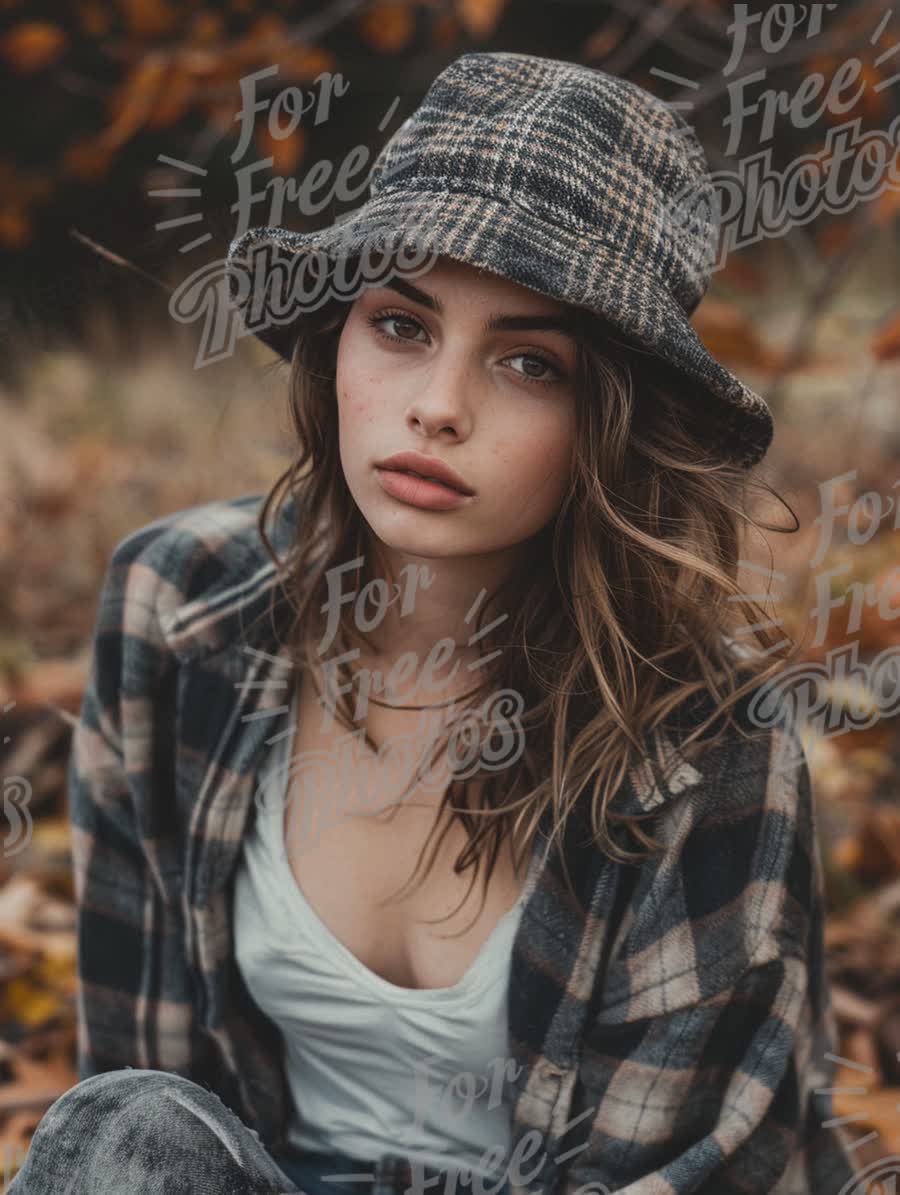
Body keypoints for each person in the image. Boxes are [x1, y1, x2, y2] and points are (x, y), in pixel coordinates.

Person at [11, 50, 862, 1195]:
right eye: (402, 326)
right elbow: (136, 1110)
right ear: (337, 341)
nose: (438, 406)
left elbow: (684, 1171)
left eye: (527, 362)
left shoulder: (707, 730)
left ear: (611, 424)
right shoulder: (180, 608)